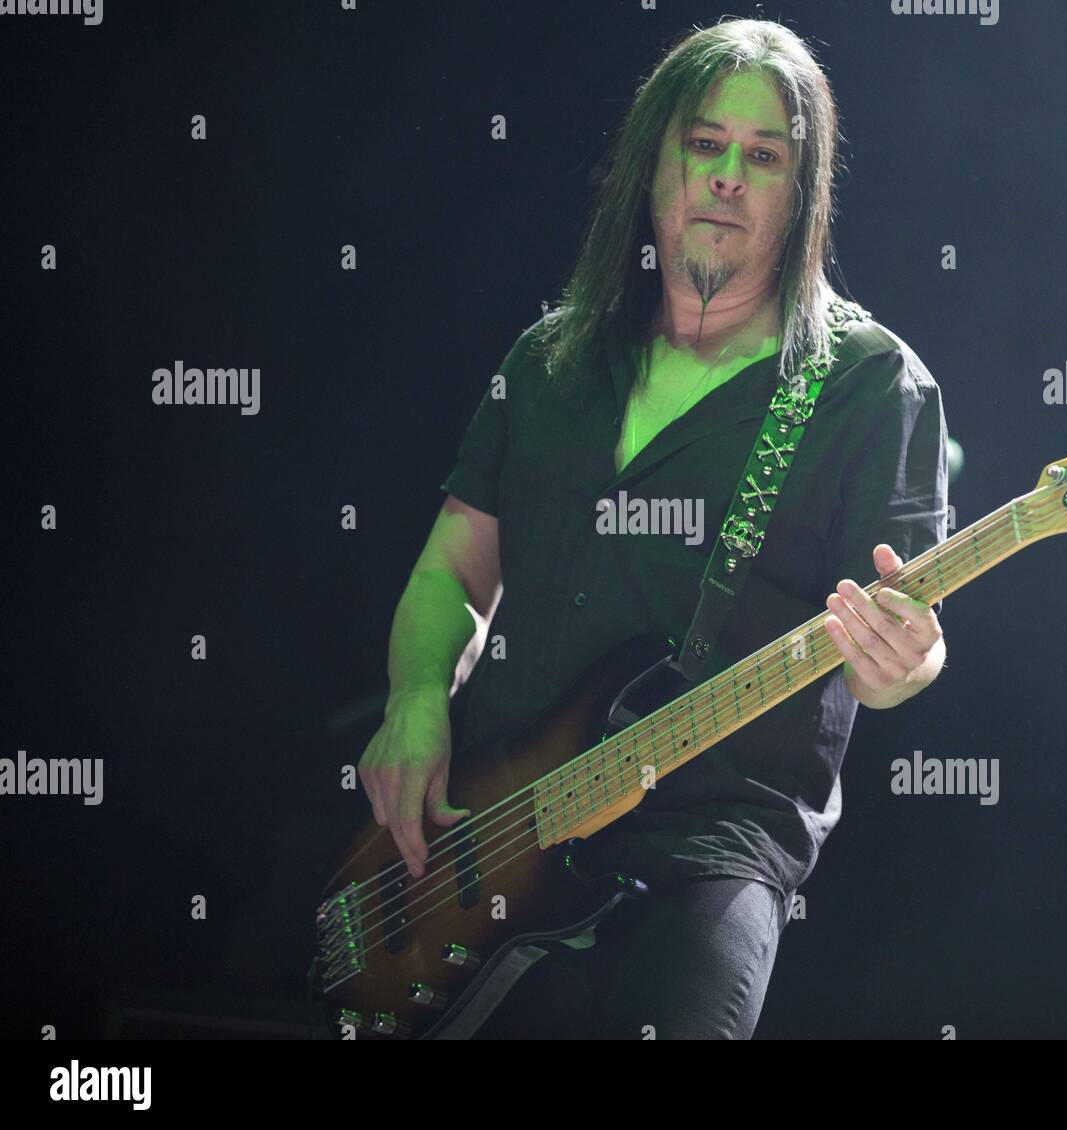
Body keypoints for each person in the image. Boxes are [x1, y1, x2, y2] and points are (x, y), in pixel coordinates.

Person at [358, 17, 949, 1039]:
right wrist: (416, 697)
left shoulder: (867, 385)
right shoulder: (551, 358)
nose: (728, 175)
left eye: (763, 156)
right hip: (486, 832)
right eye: (704, 144)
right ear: (653, 165)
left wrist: (907, 661)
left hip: (706, 850)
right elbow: (456, 567)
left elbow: (894, 648)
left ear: (798, 194)